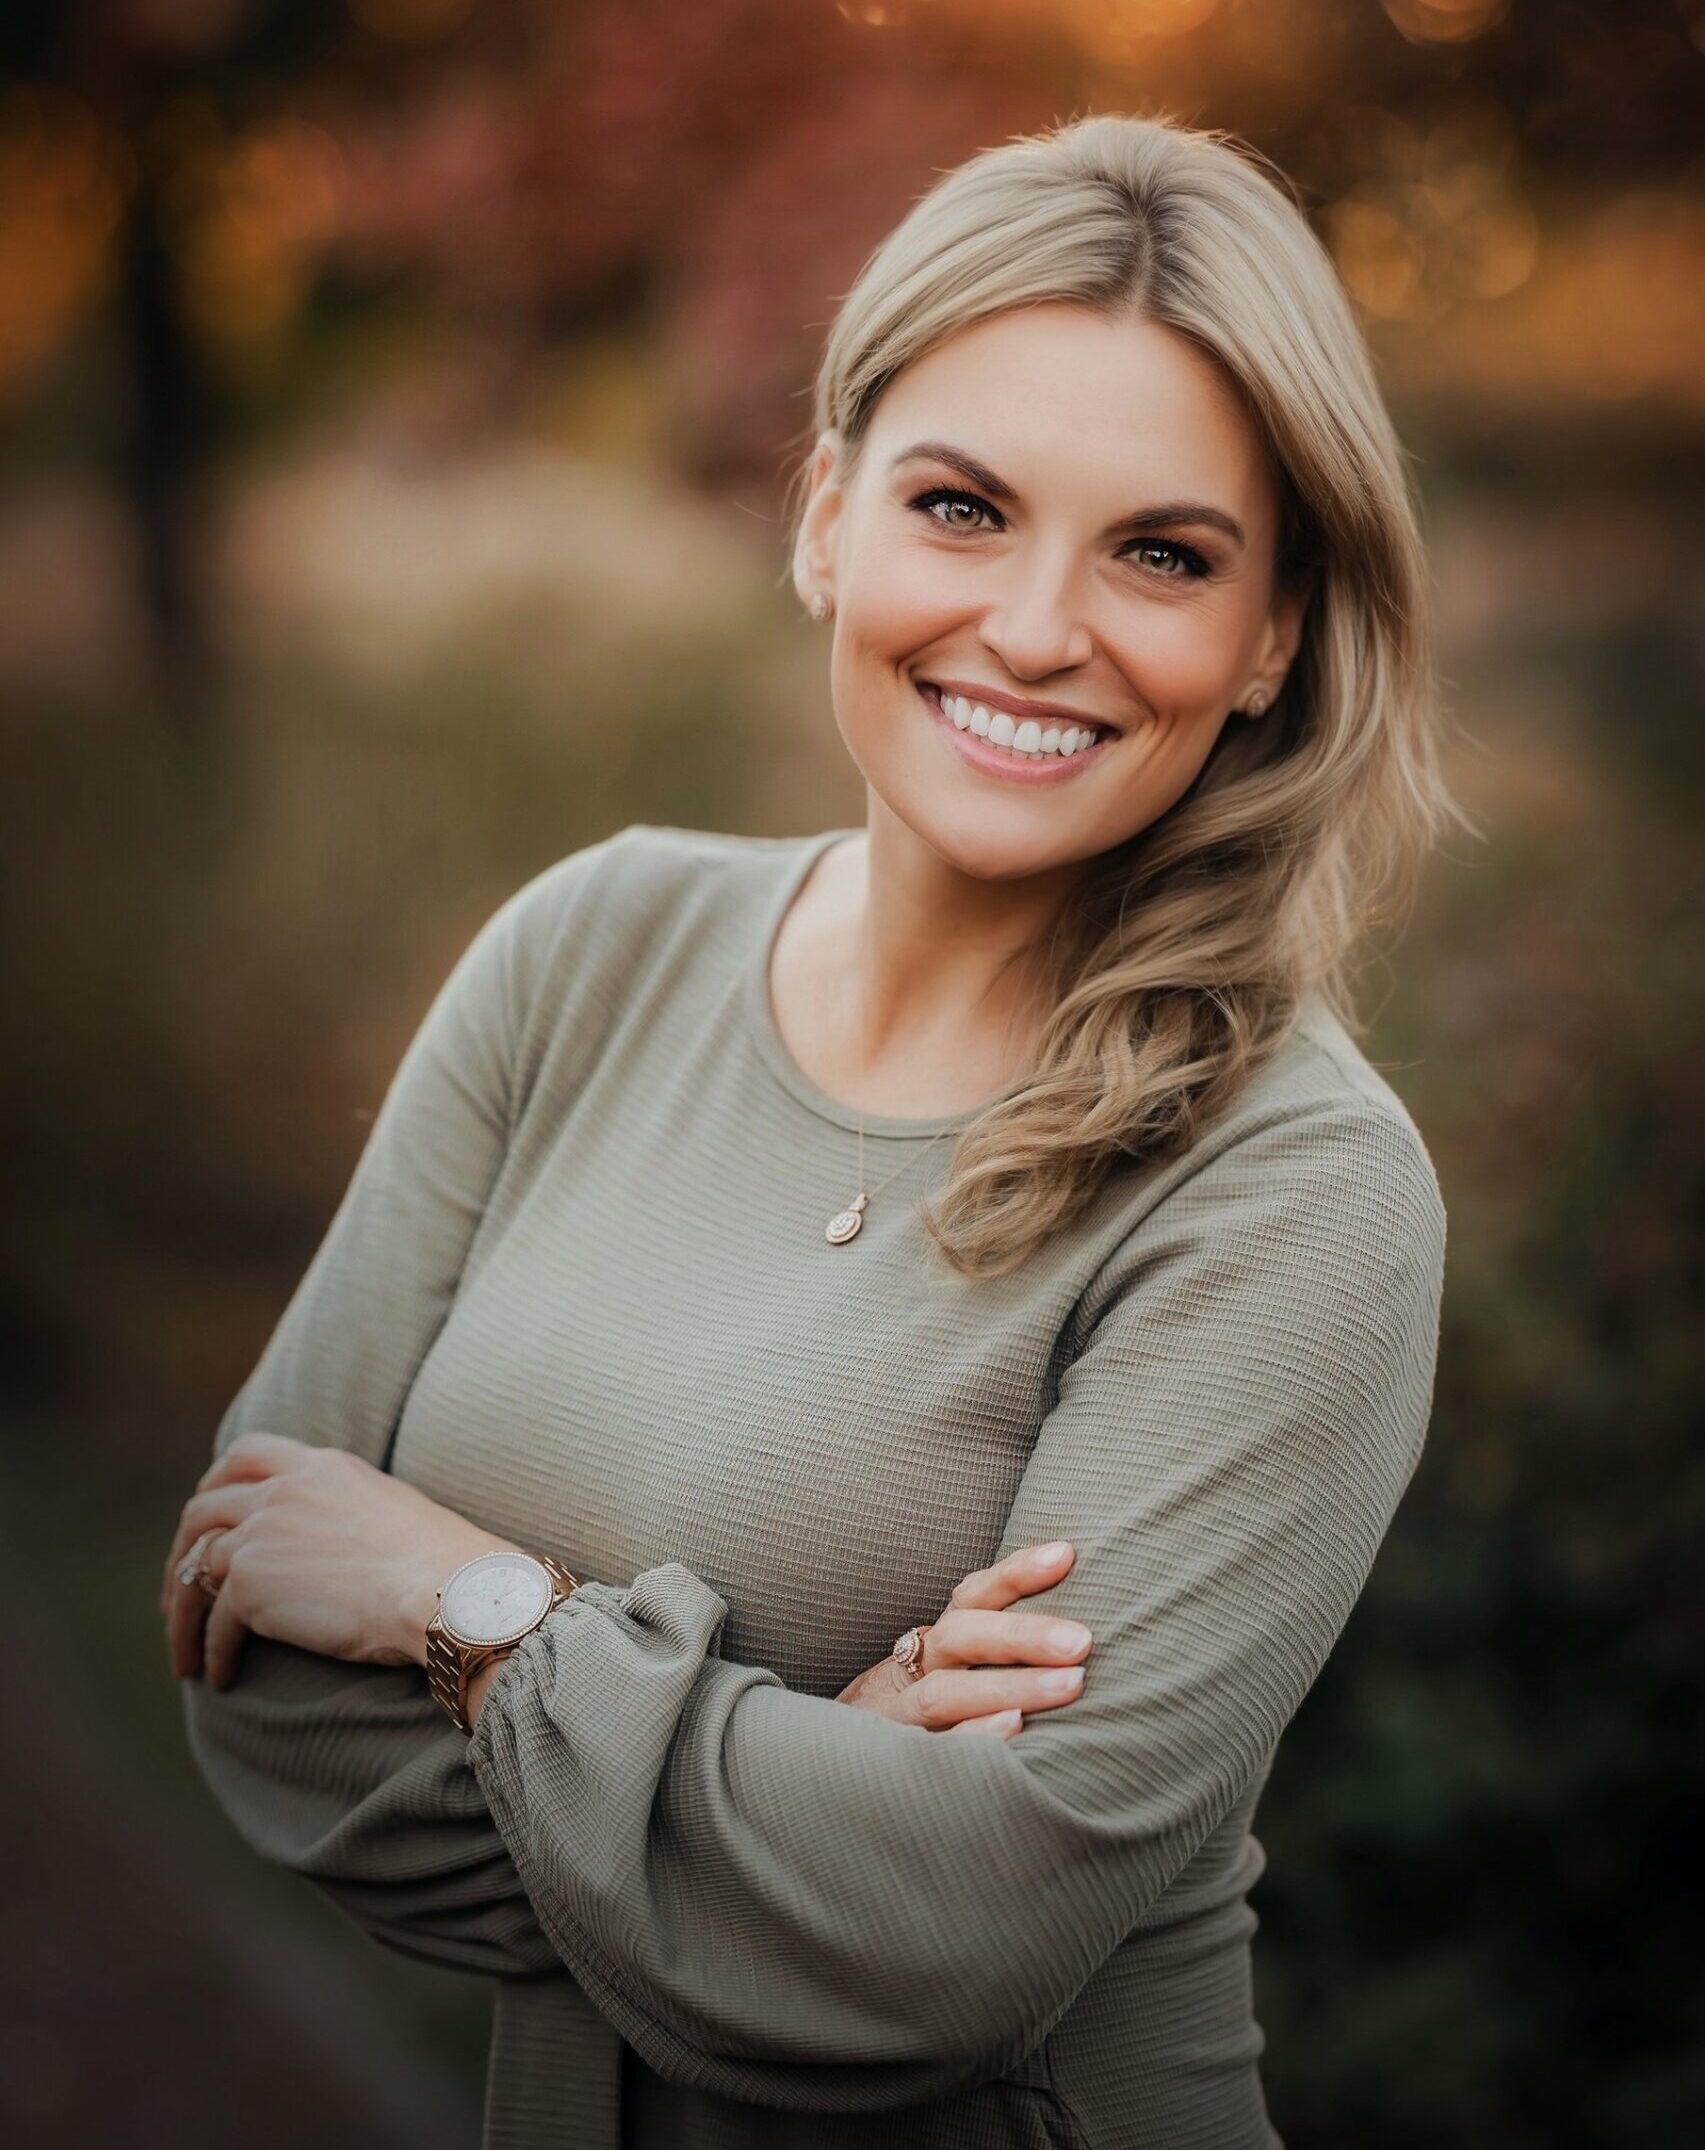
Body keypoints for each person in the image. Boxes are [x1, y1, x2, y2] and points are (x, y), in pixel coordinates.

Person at [161, 111, 1471, 2150]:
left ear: (1275, 634)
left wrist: (473, 1618)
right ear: (826, 517)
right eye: (963, 506)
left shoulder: (1297, 1189)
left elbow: (937, 1947)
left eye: (1163, 552)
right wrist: (787, 1799)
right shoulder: (586, 951)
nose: (1042, 627)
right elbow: (258, 1709)